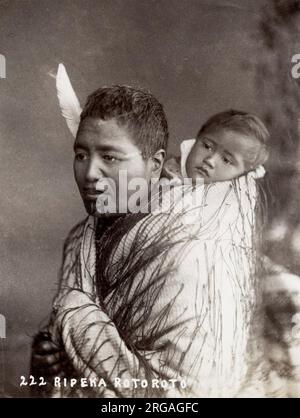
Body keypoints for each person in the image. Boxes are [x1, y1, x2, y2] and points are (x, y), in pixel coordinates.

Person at [31, 85, 267, 398]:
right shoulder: (79, 239)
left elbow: (198, 387)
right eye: (81, 154)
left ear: (154, 165)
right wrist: (48, 361)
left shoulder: (193, 240)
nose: (90, 172)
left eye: (110, 157)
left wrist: (75, 321)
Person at [162, 109, 269, 184]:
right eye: (207, 146)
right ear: (196, 139)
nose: (210, 160)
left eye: (226, 160)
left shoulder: (229, 204)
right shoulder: (165, 172)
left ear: (241, 174)